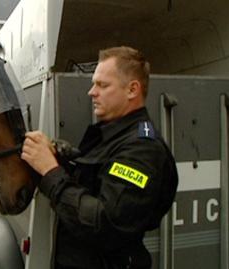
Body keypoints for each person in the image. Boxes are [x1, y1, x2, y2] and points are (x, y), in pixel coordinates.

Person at [21, 46, 178, 269]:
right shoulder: (111, 134)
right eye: (94, 83)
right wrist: (55, 158)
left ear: (132, 90)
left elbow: (105, 223)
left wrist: (50, 171)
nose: (91, 92)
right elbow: (92, 183)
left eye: (102, 85)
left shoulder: (143, 149)